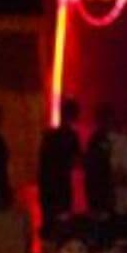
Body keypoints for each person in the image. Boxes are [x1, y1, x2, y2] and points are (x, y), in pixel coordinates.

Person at [37, 98, 83, 228]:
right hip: (62, 184)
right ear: (74, 116)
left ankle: (48, 245)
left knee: (48, 221)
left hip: (47, 185)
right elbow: (76, 161)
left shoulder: (49, 135)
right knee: (63, 222)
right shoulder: (71, 136)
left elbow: (42, 160)